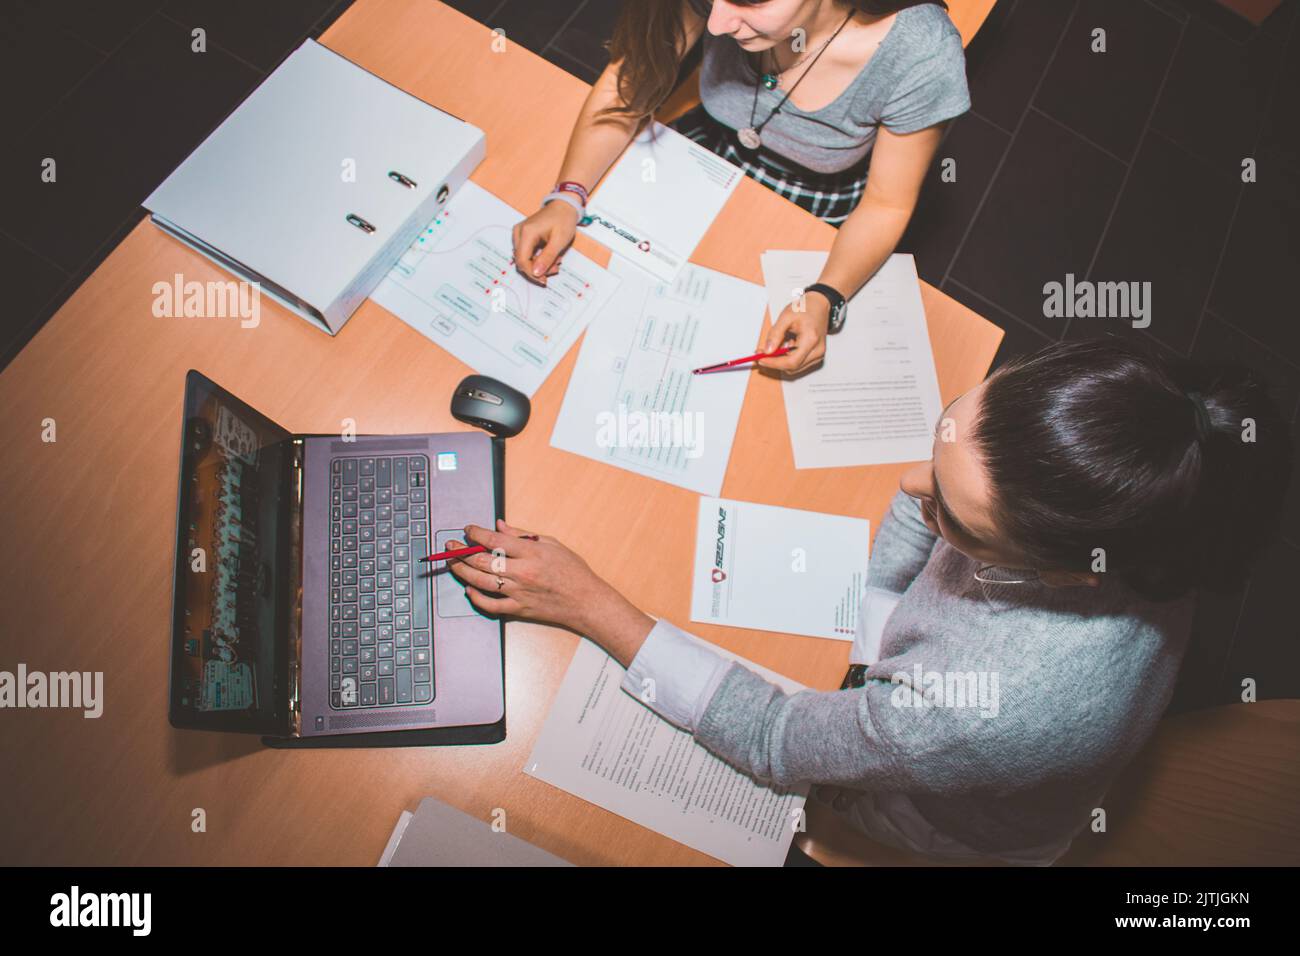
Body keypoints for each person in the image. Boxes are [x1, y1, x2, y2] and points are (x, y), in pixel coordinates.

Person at [445, 339, 1293, 865]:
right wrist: (882, 625)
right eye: (944, 433)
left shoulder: (974, 714)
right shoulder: (1151, 502)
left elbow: (778, 741)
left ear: (1066, 572)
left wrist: (591, 603)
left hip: (955, 824)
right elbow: (925, 500)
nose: (906, 484)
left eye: (947, 516)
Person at [511, 0, 970, 375]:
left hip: (815, 197)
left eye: (749, 1)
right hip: (711, 149)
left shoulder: (921, 52)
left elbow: (886, 205)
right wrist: (568, 195)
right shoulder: (720, 9)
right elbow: (629, 84)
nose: (716, 22)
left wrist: (824, 297)